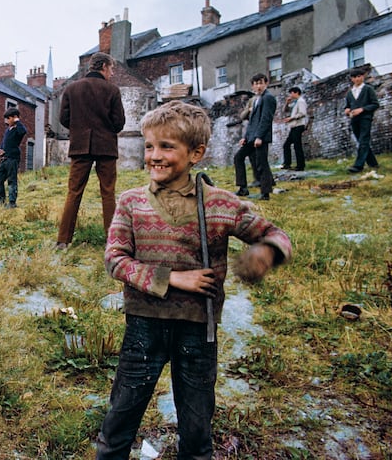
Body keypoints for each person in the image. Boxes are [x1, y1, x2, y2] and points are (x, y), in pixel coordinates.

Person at [95, 101, 292, 460]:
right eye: (149, 146)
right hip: (144, 325)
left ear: (196, 153)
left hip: (199, 330)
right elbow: (115, 259)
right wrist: (173, 279)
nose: (154, 156)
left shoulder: (219, 204)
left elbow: (276, 235)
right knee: (119, 420)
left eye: (167, 147)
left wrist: (265, 253)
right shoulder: (130, 202)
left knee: (197, 427)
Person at [56, 52, 126, 249]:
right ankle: (113, 242)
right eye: (111, 69)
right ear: (103, 66)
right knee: (108, 193)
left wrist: (79, 128)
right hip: (106, 147)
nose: (112, 73)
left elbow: (63, 119)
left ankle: (63, 240)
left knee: (74, 192)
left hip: (80, 146)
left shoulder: (71, 89)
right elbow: (119, 122)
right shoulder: (112, 90)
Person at [233, 73, 276, 200]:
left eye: (261, 83)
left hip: (260, 137)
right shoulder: (256, 99)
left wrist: (259, 137)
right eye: (256, 84)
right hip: (251, 137)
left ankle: (265, 193)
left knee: (261, 164)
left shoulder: (268, 98)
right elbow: (252, 121)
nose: (258, 86)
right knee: (238, 157)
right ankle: (243, 188)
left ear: (266, 84)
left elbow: (266, 119)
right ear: (252, 86)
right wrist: (245, 137)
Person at [344, 68, 379, 173]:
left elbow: (375, 104)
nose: (357, 79)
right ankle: (373, 164)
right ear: (352, 79)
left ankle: (358, 166)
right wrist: (347, 110)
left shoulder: (368, 89)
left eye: (359, 76)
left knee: (363, 140)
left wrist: (362, 109)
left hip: (365, 118)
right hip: (354, 119)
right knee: (361, 141)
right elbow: (347, 106)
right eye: (354, 77)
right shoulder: (350, 93)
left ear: (363, 77)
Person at [0, 107, 27, 208]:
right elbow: (4, 142)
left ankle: (12, 203)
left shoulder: (18, 129)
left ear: (14, 118)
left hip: (13, 159)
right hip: (4, 159)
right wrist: (0, 149)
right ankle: (1, 201)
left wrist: (18, 121)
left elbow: (23, 132)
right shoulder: (7, 130)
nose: (7, 121)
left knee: (12, 181)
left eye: (8, 118)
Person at [280, 87, 308, 171]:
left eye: (291, 93)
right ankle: (287, 163)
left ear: (296, 93)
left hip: (298, 125)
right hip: (294, 126)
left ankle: (300, 165)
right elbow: (285, 110)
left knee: (297, 146)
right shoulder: (295, 102)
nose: (290, 95)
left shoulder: (301, 101)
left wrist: (291, 118)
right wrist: (286, 103)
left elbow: (303, 113)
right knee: (286, 145)